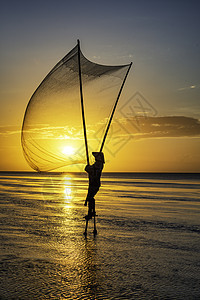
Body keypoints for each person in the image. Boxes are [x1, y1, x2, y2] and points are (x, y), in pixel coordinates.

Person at [84, 152, 105, 220]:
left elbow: (91, 170)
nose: (95, 158)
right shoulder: (97, 164)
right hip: (93, 183)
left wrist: (88, 168)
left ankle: (91, 212)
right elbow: (90, 169)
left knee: (90, 197)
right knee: (90, 198)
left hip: (95, 183)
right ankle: (91, 212)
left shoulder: (99, 164)